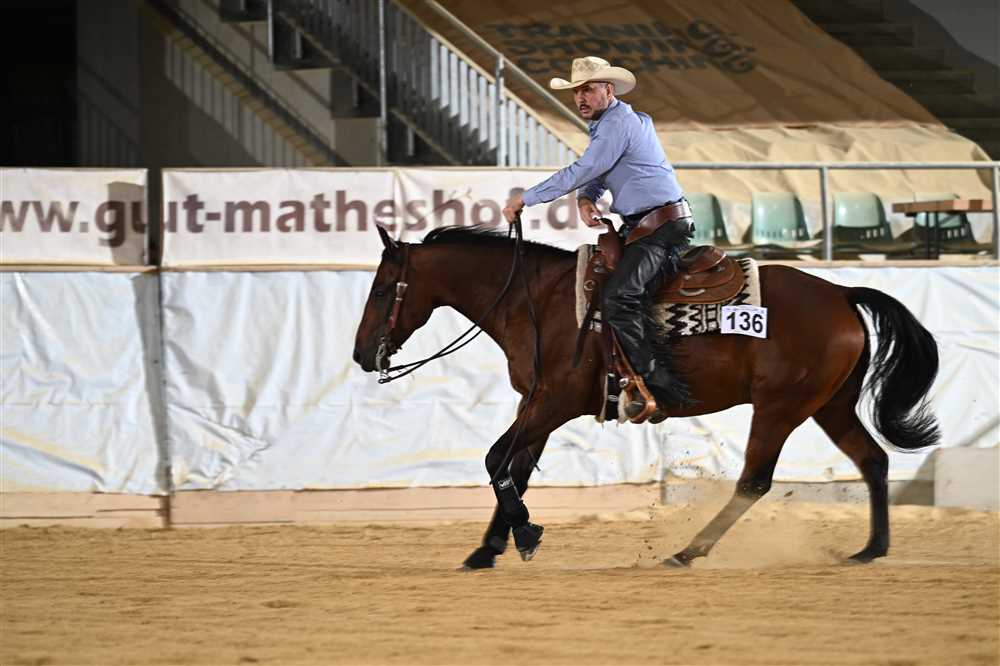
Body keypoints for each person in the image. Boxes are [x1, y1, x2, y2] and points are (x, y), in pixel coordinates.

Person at [502, 56, 694, 407]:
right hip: (649, 224)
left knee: (619, 298)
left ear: (608, 89)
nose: (580, 98)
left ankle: (658, 387)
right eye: (576, 92)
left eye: (588, 89)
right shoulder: (616, 122)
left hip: (660, 226)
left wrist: (525, 198)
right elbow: (600, 172)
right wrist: (586, 197)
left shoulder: (617, 124)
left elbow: (585, 168)